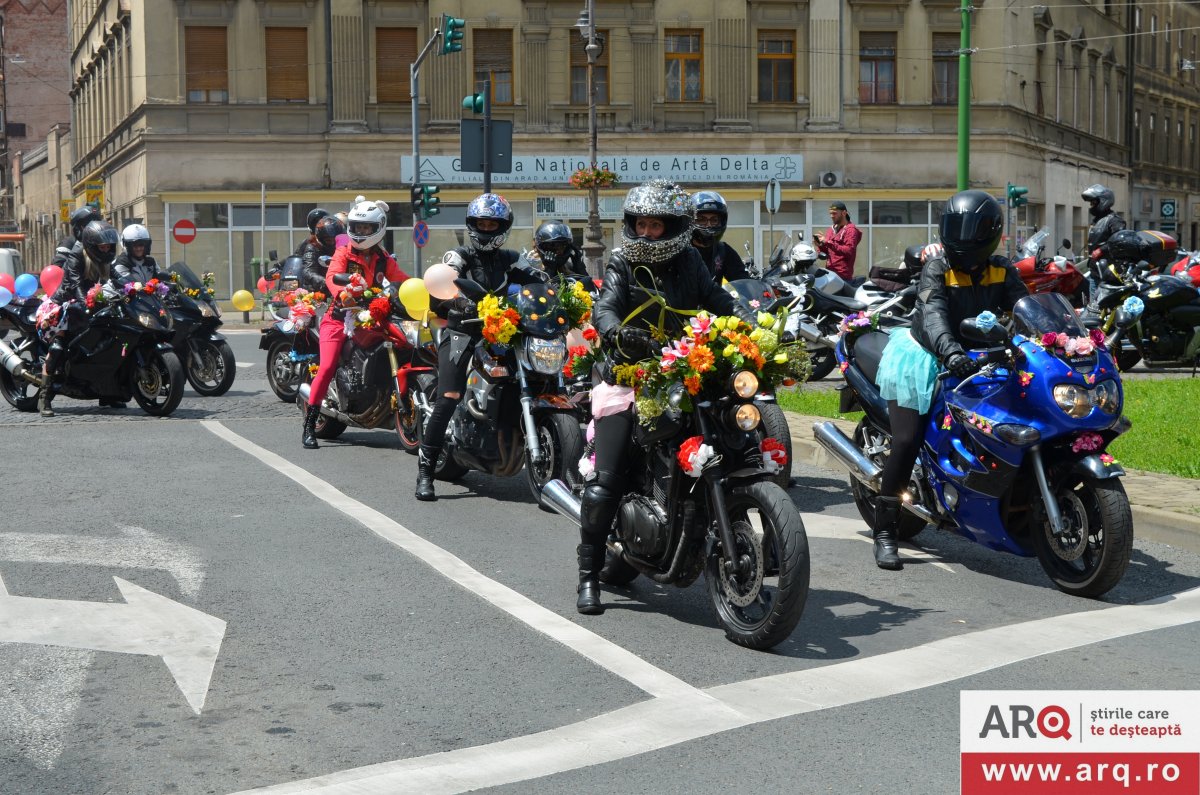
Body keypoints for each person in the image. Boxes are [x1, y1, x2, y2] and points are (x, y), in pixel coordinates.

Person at [575, 179, 756, 615]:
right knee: (608, 479)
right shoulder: (621, 260)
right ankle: (587, 576)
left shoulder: (690, 259)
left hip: (683, 367)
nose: (647, 233)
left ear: (673, 226)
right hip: (629, 373)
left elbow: (717, 300)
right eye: (640, 224)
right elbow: (606, 306)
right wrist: (618, 331)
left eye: (655, 225)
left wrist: (749, 320)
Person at [871, 190, 1027, 570]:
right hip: (927, 357)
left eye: (970, 230)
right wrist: (950, 350)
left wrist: (1053, 337)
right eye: (955, 228)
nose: (962, 238)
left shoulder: (1002, 270)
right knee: (908, 439)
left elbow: (1026, 307)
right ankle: (886, 531)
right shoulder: (937, 267)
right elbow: (934, 313)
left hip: (979, 359)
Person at [414, 193, 545, 502]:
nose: (486, 229)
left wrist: (554, 291)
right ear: (472, 225)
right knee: (449, 397)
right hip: (463, 332)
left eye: (492, 223)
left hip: (502, 332)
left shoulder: (512, 258)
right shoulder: (458, 255)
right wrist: (455, 299)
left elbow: (538, 281)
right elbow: (443, 285)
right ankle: (425, 470)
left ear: (503, 226)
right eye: (481, 223)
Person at [301, 199, 409, 449]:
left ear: (378, 228)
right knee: (326, 366)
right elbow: (332, 276)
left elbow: (402, 280)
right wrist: (342, 293)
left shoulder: (384, 259)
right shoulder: (343, 252)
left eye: (365, 228)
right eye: (356, 227)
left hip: (371, 317)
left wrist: (423, 290)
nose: (359, 233)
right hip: (339, 317)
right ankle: (309, 424)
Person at [38, 220, 120, 416]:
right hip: (64, 306)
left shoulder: (106, 259)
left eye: (108, 246)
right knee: (58, 347)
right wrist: (88, 305)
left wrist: (134, 287)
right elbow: (75, 284)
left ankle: (109, 393)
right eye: (102, 246)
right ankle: (44, 397)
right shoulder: (76, 256)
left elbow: (118, 278)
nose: (106, 249)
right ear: (91, 245)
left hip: (89, 304)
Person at [689, 190, 750, 283]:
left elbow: (742, 280)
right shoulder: (681, 251)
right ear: (691, 221)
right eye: (701, 220)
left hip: (715, 297)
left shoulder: (722, 250)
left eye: (714, 220)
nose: (708, 225)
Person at [1081, 184, 1126, 297]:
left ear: (1103, 201)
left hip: (1109, 274)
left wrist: (1101, 250)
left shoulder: (1114, 221)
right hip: (1094, 272)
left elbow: (1119, 241)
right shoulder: (1096, 221)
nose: (1091, 206)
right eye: (1090, 203)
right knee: (1092, 307)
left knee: (1105, 307)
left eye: (1093, 202)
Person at [814, 201, 863, 283]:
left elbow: (849, 251)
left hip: (842, 277)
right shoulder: (831, 230)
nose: (831, 216)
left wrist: (827, 241)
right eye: (830, 213)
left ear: (844, 213)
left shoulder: (851, 230)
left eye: (834, 213)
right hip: (829, 274)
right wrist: (820, 245)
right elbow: (827, 252)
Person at [296, 215, 346, 293]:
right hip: (318, 290)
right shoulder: (313, 247)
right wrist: (324, 282)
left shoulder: (345, 248)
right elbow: (308, 271)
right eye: (329, 240)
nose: (333, 242)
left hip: (342, 288)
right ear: (321, 238)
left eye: (336, 239)